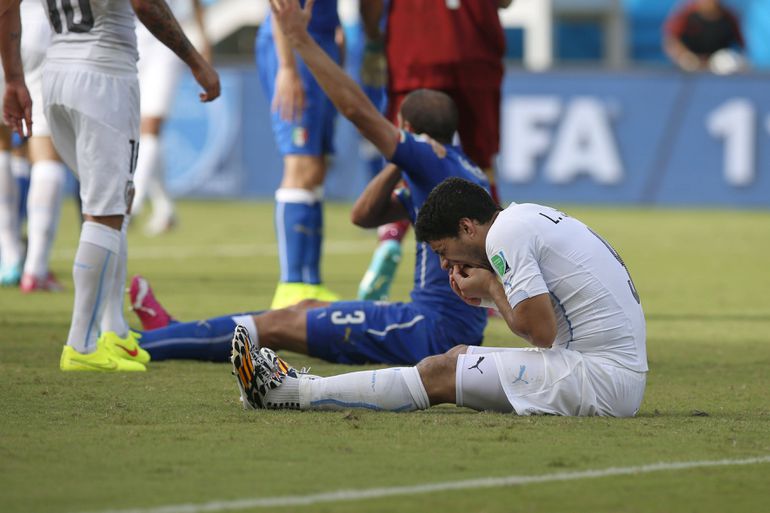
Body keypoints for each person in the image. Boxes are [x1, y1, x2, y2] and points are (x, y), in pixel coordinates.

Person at [230, 0, 648, 418]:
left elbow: (539, 332)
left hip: (599, 378)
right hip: (607, 372)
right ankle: (293, 388)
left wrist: (488, 288)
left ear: (467, 227)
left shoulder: (507, 234)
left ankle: (289, 391)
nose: (448, 266)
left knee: (440, 371)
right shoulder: (522, 217)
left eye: (446, 254)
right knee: (457, 357)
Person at [127, 5, 492, 366]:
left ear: (407, 129)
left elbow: (357, 111)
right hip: (436, 322)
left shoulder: (427, 156)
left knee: (280, 324)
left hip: (429, 330)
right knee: (303, 309)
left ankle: (145, 344)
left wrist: (300, 40)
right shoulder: (459, 168)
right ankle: (171, 332)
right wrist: (400, 163)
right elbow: (363, 216)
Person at [32, 0, 219, 371]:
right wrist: (197, 61)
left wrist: (15, 77)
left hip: (55, 73)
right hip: (102, 75)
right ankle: (81, 345)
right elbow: (146, 4)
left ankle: (113, 327)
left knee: (113, 200)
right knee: (106, 213)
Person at [356, 0, 512, 301]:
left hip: (413, 44)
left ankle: (389, 239)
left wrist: (374, 38)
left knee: (408, 150)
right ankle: (492, 272)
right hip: (474, 46)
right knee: (480, 168)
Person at [257, 0, 341, 309]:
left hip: (322, 42)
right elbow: (280, 6)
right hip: (292, 49)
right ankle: (291, 284)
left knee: (317, 166)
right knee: (301, 165)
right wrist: (287, 66)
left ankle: (311, 284)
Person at [131, 0, 211, 236]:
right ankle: (164, 208)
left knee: (151, 125)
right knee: (140, 131)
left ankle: (134, 201)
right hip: (132, 36)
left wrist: (203, 40)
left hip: (166, 40)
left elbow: (196, 4)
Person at [18, 0, 69, 292]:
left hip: (8, 23)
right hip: (43, 27)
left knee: (4, 144)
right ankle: (34, 268)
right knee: (47, 153)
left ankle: (10, 255)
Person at [664, 0, 746, 73]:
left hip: (719, 67)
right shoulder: (687, 14)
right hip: (691, 67)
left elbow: (742, 43)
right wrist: (686, 58)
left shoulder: (729, 17)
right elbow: (671, 40)